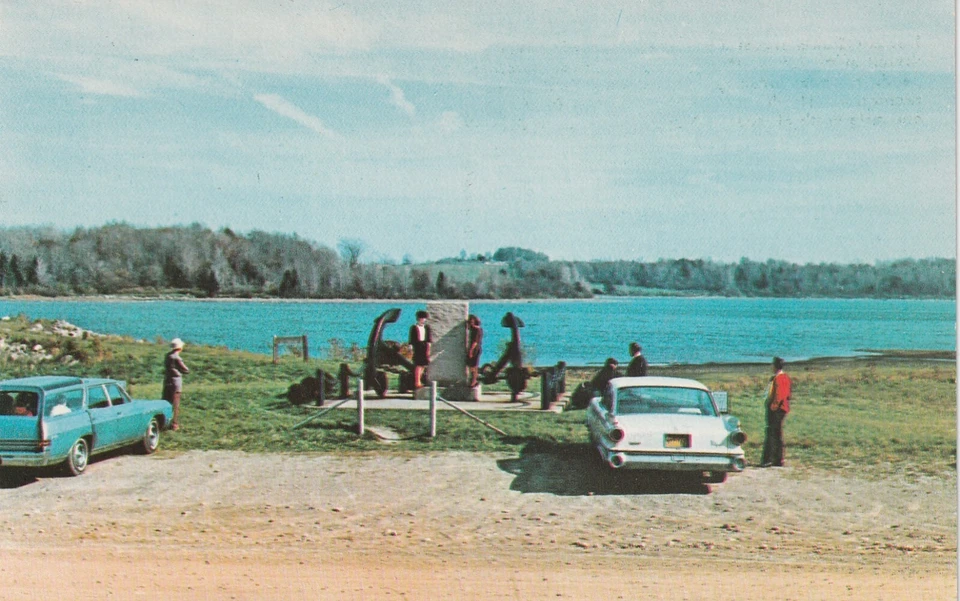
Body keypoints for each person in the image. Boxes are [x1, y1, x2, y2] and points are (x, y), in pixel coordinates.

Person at [761, 356, 792, 467]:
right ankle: (778, 459)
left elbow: (780, 395)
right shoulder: (784, 378)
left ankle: (769, 459)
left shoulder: (778, 378)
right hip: (781, 408)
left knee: (772, 433)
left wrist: (773, 406)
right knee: (777, 433)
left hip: (777, 409)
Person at [162, 338, 190, 431]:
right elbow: (186, 370)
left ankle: (163, 422)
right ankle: (174, 424)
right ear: (179, 348)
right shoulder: (177, 358)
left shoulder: (167, 355)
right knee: (175, 404)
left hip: (167, 380)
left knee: (166, 401)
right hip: (176, 383)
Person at [408, 311, 432, 390]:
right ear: (418, 318)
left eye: (424, 318)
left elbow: (429, 339)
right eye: (421, 318)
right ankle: (417, 382)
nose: (423, 320)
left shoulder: (427, 327)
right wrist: (410, 347)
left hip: (425, 346)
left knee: (423, 365)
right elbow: (411, 339)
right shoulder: (414, 327)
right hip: (417, 346)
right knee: (418, 364)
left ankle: (419, 380)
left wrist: (428, 349)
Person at [465, 315, 483, 387]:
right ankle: (473, 381)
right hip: (475, 349)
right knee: (472, 366)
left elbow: (475, 342)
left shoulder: (477, 330)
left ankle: (473, 381)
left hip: (475, 349)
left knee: (473, 366)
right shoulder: (475, 329)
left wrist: (471, 351)